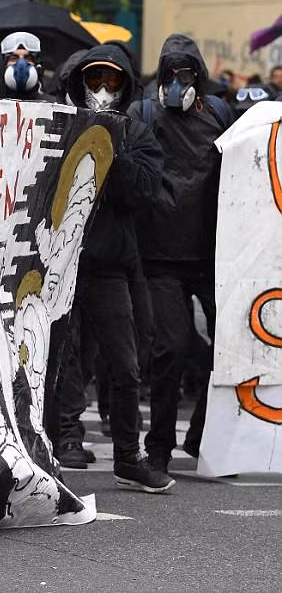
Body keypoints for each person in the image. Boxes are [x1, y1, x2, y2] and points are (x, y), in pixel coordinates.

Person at [56, 43, 174, 492]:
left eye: (112, 82)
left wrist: (108, 141)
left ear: (124, 86)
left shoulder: (137, 132)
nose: (103, 89)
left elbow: (144, 190)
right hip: (59, 263)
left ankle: (128, 456)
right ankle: (58, 442)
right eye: (95, 81)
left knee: (125, 367)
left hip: (107, 267)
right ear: (80, 83)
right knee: (57, 363)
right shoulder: (60, 123)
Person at [128, 33, 234, 473]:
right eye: (169, 74)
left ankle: (204, 434)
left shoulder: (222, 116)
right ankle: (159, 447)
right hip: (161, 257)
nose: (176, 83)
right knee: (169, 350)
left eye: (184, 74)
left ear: (198, 78)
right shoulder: (144, 113)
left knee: (229, 348)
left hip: (213, 255)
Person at [0, 31, 53, 101]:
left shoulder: (51, 105)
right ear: (3, 66)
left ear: (38, 67)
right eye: (14, 58)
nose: (21, 64)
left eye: (27, 58)